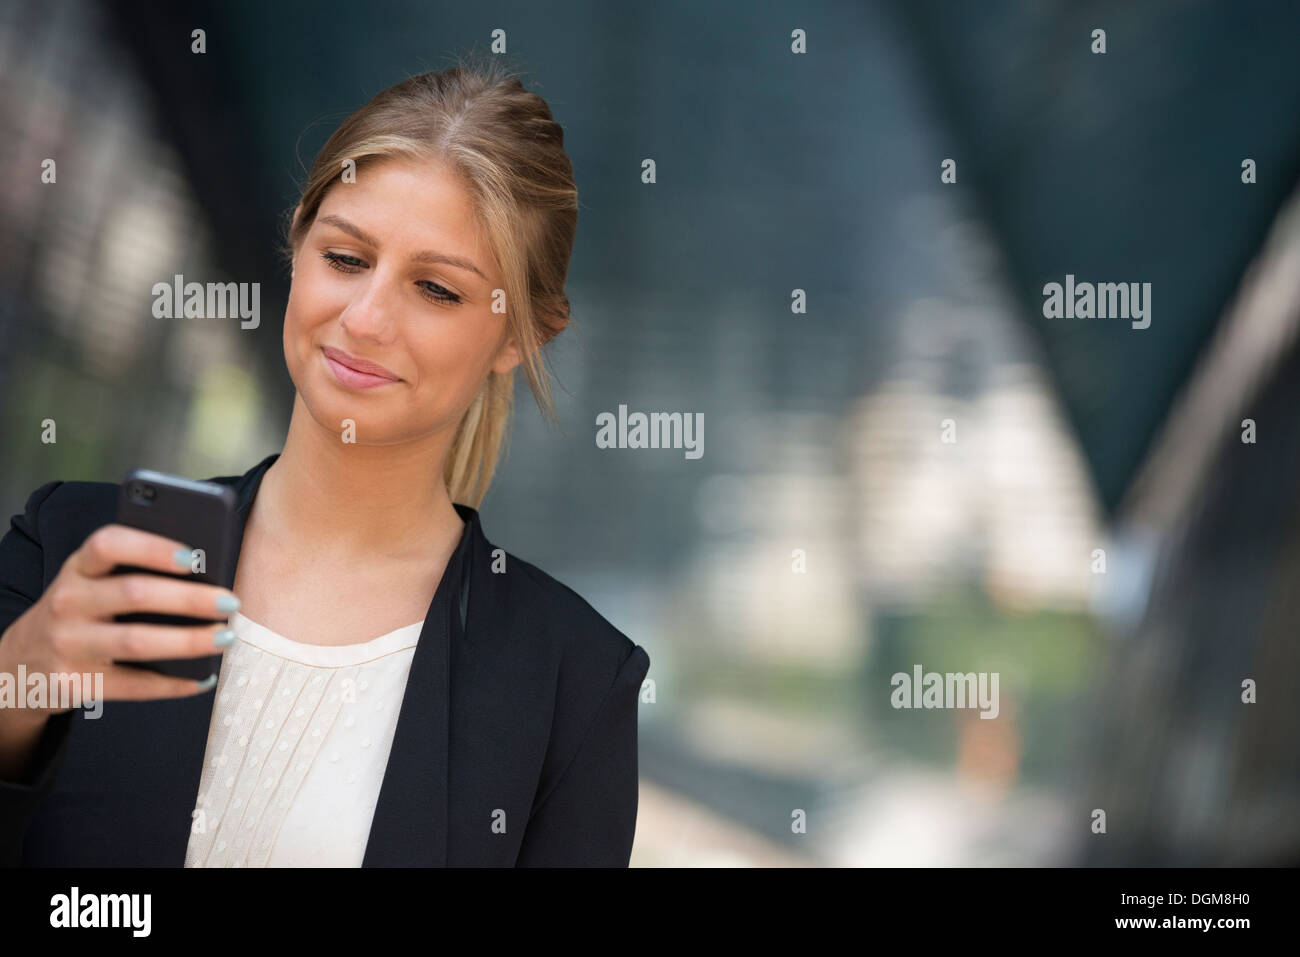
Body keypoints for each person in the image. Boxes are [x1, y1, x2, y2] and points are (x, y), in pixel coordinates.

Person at [0, 59, 650, 867]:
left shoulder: (573, 686)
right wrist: (21, 674)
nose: (367, 317)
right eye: (346, 258)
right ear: (298, 247)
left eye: (437, 289)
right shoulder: (72, 547)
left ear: (519, 336)